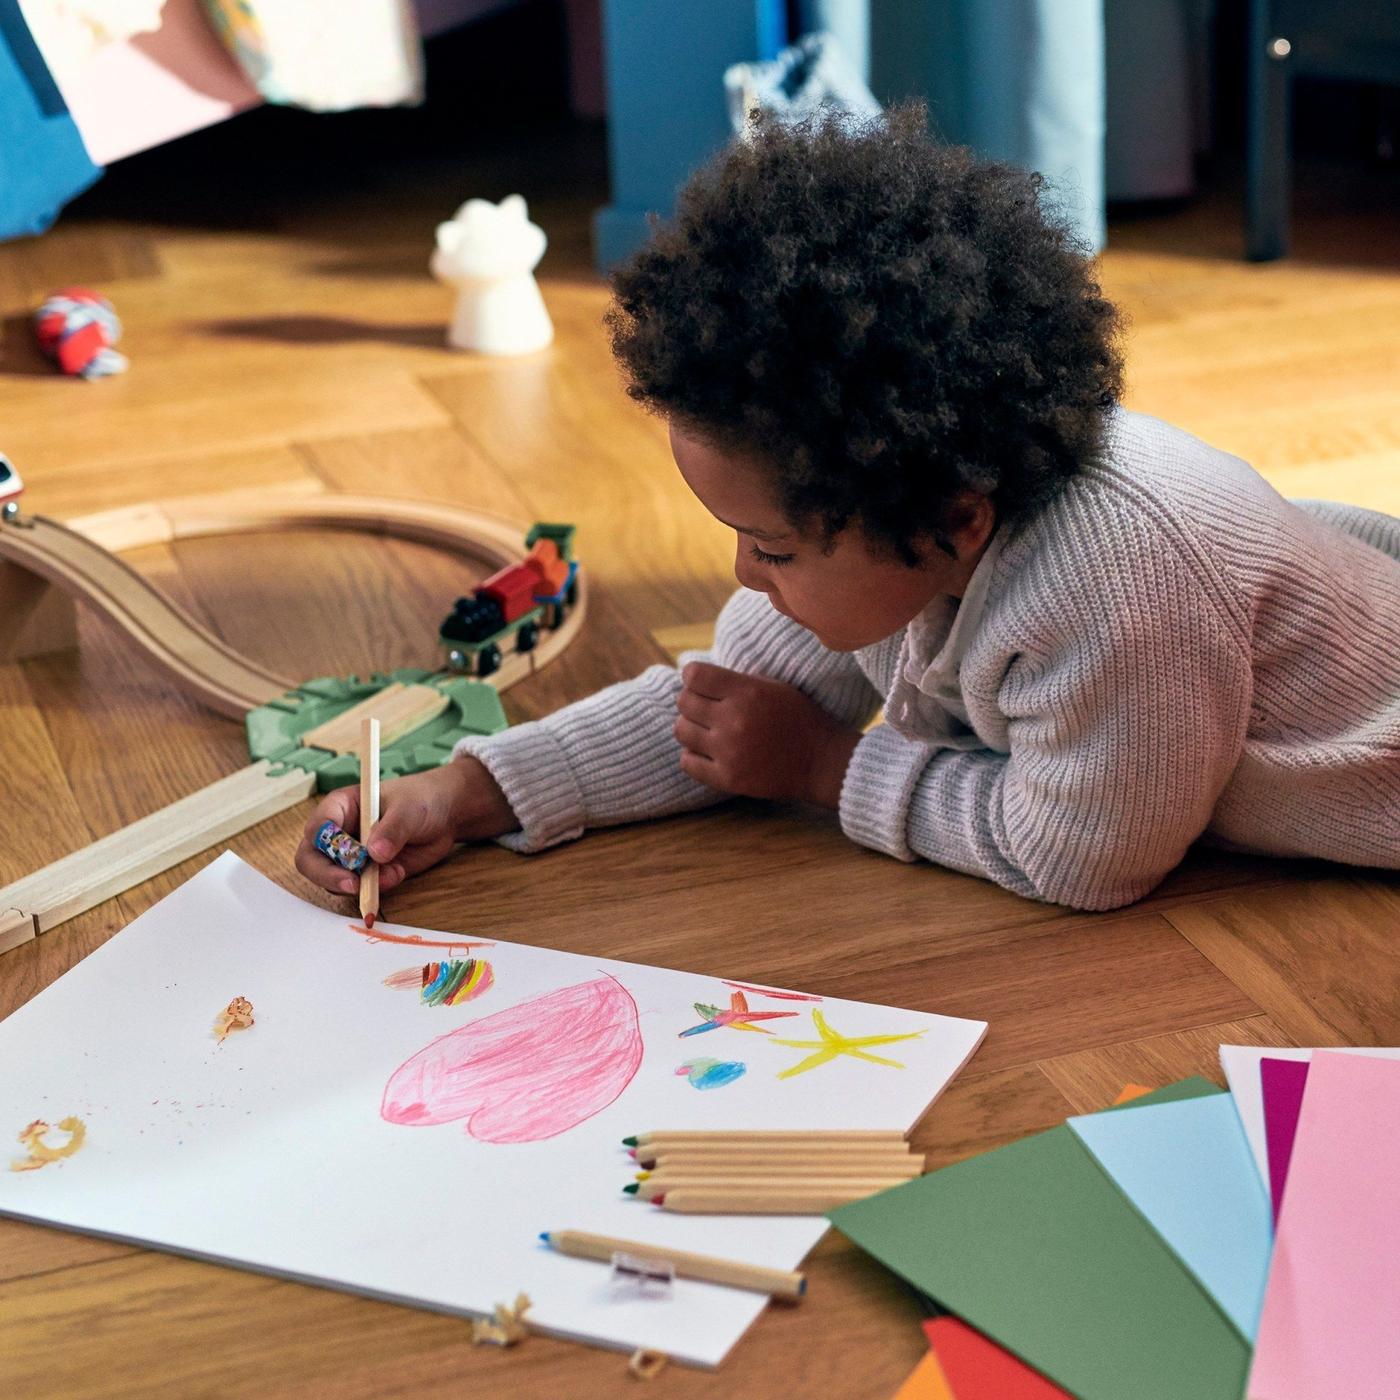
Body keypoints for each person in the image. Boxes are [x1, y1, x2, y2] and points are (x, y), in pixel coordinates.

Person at [295, 104, 1400, 913]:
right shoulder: (897, 510)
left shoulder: (1117, 586)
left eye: (770, 546)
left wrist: (829, 769)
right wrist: (463, 792)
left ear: (956, 520)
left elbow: (1084, 859)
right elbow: (722, 715)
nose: (741, 575)